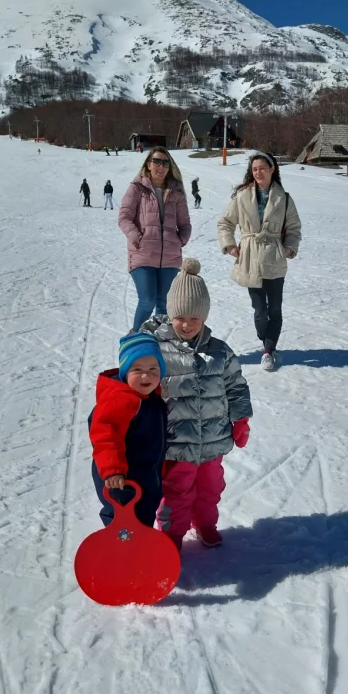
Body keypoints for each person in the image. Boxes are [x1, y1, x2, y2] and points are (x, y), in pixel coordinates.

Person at [140, 259, 251, 550]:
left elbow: (236, 386)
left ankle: (205, 524)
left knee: (211, 489)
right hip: (176, 444)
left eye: (195, 318)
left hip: (213, 440)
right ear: (171, 313)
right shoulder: (155, 350)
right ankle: (172, 535)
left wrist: (241, 419)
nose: (187, 324)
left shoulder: (220, 351)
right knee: (177, 492)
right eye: (181, 317)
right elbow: (139, 386)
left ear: (204, 317)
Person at [217, 152, 302, 372]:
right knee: (259, 310)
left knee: (274, 309)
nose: (258, 172)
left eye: (262, 168)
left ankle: (268, 350)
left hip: (274, 257)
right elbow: (225, 222)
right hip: (250, 257)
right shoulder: (242, 196)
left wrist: (289, 247)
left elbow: (294, 227)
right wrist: (230, 245)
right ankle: (267, 340)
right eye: (254, 169)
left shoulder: (284, 198)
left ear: (272, 169)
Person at [89, 332, 170, 530]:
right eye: (137, 369)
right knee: (122, 520)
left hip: (146, 475)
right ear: (125, 372)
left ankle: (139, 553)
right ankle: (120, 555)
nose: (146, 375)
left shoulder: (151, 397)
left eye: (153, 369)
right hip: (121, 479)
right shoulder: (122, 400)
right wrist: (113, 470)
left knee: (143, 515)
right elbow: (105, 435)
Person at [120, 148, 193, 331]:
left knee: (164, 305)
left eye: (165, 163)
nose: (161, 166)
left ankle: (160, 346)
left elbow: (185, 224)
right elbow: (124, 217)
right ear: (148, 164)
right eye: (157, 162)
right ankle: (135, 340)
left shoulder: (176, 191)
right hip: (143, 254)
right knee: (147, 301)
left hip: (169, 256)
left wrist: (179, 240)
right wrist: (138, 238)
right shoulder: (137, 188)